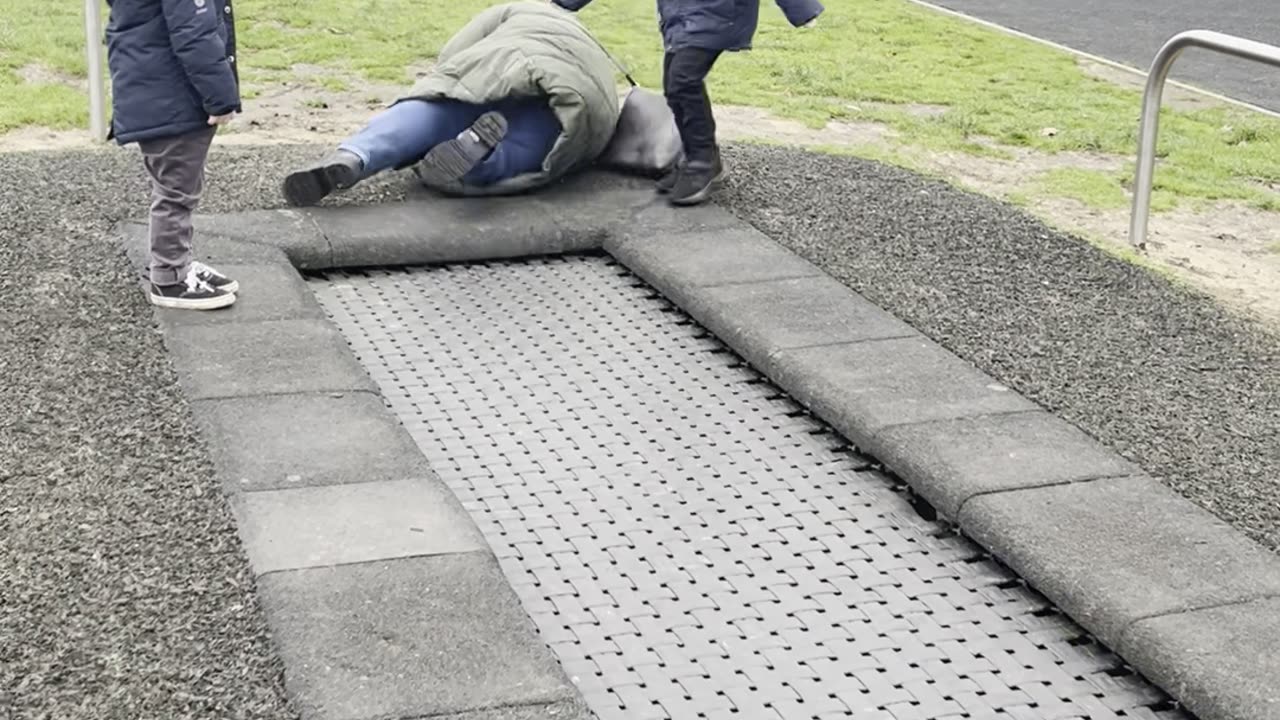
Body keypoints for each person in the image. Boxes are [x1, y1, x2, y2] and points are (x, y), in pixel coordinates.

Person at [283, 2, 620, 206]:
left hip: (504, 65)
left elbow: (452, 59)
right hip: (572, 97)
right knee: (527, 146)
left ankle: (355, 155)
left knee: (437, 109)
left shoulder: (513, 11)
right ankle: (481, 156)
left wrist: (450, 84)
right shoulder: (598, 54)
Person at [552, 0, 824, 206]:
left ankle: (701, 164)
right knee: (675, 87)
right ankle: (702, 158)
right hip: (680, 16)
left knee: (682, 82)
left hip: (718, 14)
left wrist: (802, 9)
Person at [105, 0, 242, 310]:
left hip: (154, 90)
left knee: (177, 184)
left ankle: (178, 263)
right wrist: (221, 98)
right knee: (177, 191)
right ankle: (170, 278)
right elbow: (194, 32)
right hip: (174, 97)